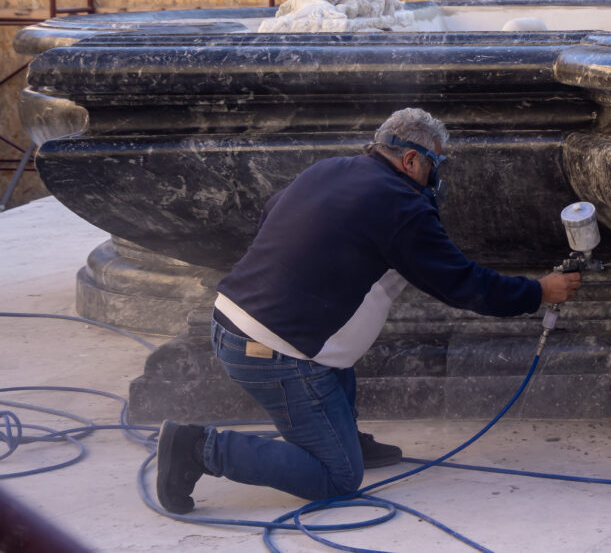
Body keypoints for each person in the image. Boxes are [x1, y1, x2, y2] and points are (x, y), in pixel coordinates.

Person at [154, 108, 581, 514]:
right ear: (412, 159)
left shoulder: (329, 169)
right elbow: (462, 284)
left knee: (341, 339)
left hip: (229, 318)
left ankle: (344, 436)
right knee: (336, 477)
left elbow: (272, 214)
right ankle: (197, 448)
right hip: (271, 351)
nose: (436, 178)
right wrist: (539, 291)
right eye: (436, 165)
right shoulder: (401, 204)